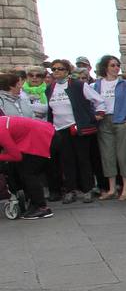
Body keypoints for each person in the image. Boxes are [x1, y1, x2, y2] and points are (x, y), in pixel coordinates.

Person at [44, 59, 98, 203]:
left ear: (67, 71)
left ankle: (87, 189)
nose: (56, 71)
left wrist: (98, 115)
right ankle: (70, 190)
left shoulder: (78, 85)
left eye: (60, 69)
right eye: (53, 69)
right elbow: (49, 109)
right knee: (66, 161)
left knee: (83, 159)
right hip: (60, 129)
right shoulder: (50, 88)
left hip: (76, 127)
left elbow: (98, 100)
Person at [88, 54, 126, 200]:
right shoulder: (96, 85)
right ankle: (111, 188)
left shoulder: (125, 85)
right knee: (107, 155)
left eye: (117, 65)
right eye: (112, 65)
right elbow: (91, 103)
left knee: (124, 155)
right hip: (104, 121)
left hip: (121, 120)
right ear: (105, 67)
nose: (116, 68)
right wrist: (95, 116)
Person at [0, 112, 57, 220]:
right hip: (44, 133)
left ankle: (41, 208)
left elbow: (16, 156)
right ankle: (34, 202)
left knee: (28, 172)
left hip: (45, 138)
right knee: (24, 169)